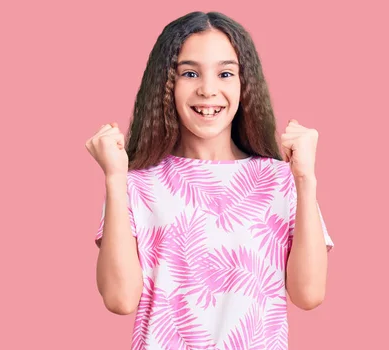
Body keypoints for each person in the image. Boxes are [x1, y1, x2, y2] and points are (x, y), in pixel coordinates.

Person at [85, 11, 334, 350]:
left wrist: (305, 179)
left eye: (225, 73)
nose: (207, 89)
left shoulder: (282, 180)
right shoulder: (135, 184)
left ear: (245, 84)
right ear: (166, 85)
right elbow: (120, 300)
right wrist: (114, 178)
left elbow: (309, 294)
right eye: (190, 73)